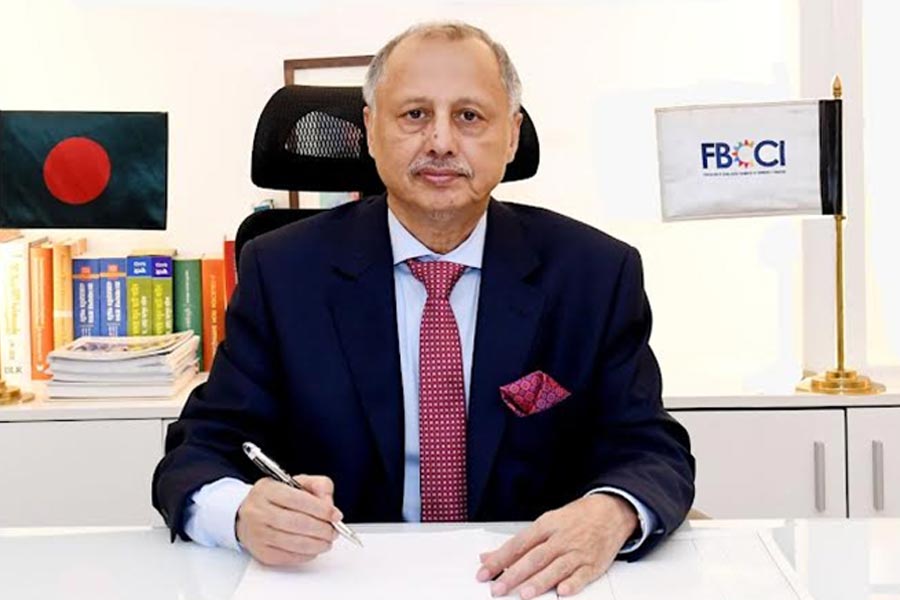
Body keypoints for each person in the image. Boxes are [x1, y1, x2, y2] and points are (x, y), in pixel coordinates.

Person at [153, 21, 695, 598]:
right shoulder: (283, 272)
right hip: (342, 581)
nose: (440, 141)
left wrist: (612, 512)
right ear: (370, 130)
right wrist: (240, 512)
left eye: (469, 116)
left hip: (523, 583)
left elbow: (650, 447)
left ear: (511, 136)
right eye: (414, 114)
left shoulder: (594, 274)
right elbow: (199, 450)